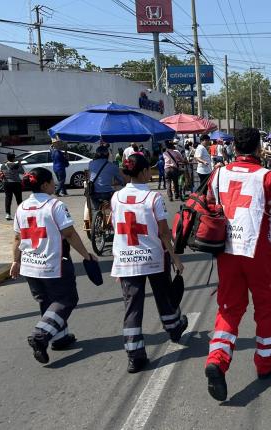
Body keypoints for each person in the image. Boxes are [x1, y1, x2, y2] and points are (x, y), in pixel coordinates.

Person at [204, 128, 271, 401]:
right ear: (257, 149)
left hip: (226, 253)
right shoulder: (267, 178)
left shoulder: (218, 174)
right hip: (257, 254)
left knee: (228, 308)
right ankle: (264, 364)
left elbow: (209, 207)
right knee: (267, 306)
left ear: (235, 149)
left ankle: (217, 360)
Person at [111, 153, 189, 373]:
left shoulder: (116, 197)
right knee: (164, 296)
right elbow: (164, 232)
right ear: (145, 172)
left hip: (126, 259)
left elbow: (116, 226)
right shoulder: (153, 198)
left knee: (132, 307)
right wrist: (175, 258)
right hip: (153, 257)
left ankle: (134, 355)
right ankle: (174, 329)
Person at [10, 167, 95, 364]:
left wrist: (16, 260)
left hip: (30, 265)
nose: (55, 184)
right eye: (52, 181)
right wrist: (86, 254)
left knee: (47, 302)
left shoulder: (21, 207)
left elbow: (16, 238)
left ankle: (59, 337)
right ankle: (40, 336)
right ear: (44, 184)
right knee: (66, 299)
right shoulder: (55, 205)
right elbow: (70, 234)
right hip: (53, 263)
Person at [88, 146, 126, 210]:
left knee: (96, 208)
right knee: (117, 199)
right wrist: (123, 183)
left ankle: (97, 214)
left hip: (93, 193)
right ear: (107, 155)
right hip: (107, 194)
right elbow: (120, 180)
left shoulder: (91, 163)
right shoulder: (112, 166)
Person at [1, 153, 24, 220]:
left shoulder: (3, 165)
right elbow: (22, 172)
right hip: (16, 183)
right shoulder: (15, 165)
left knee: (8, 198)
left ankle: (8, 214)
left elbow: (2, 172)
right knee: (19, 198)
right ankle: (21, 214)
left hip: (6, 183)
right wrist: (19, 163)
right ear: (13, 158)